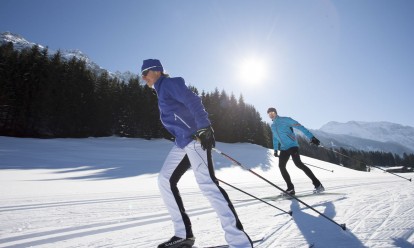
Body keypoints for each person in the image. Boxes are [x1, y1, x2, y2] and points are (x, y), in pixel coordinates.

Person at [141, 59, 253, 248]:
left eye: (146, 73)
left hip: (195, 139)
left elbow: (192, 99)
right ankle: (183, 234)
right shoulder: (160, 91)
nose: (143, 78)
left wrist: (204, 126)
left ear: (157, 71)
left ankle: (239, 242)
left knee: (208, 185)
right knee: (164, 180)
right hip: (182, 142)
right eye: (142, 75)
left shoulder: (168, 84)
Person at [267, 107, 324, 196]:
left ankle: (318, 185)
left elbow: (300, 127)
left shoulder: (285, 120)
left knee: (298, 164)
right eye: (269, 114)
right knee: (281, 166)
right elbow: (275, 138)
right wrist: (275, 150)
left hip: (292, 146)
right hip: (283, 148)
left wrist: (311, 137)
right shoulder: (273, 126)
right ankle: (290, 189)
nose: (271, 115)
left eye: (273, 113)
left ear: (276, 113)